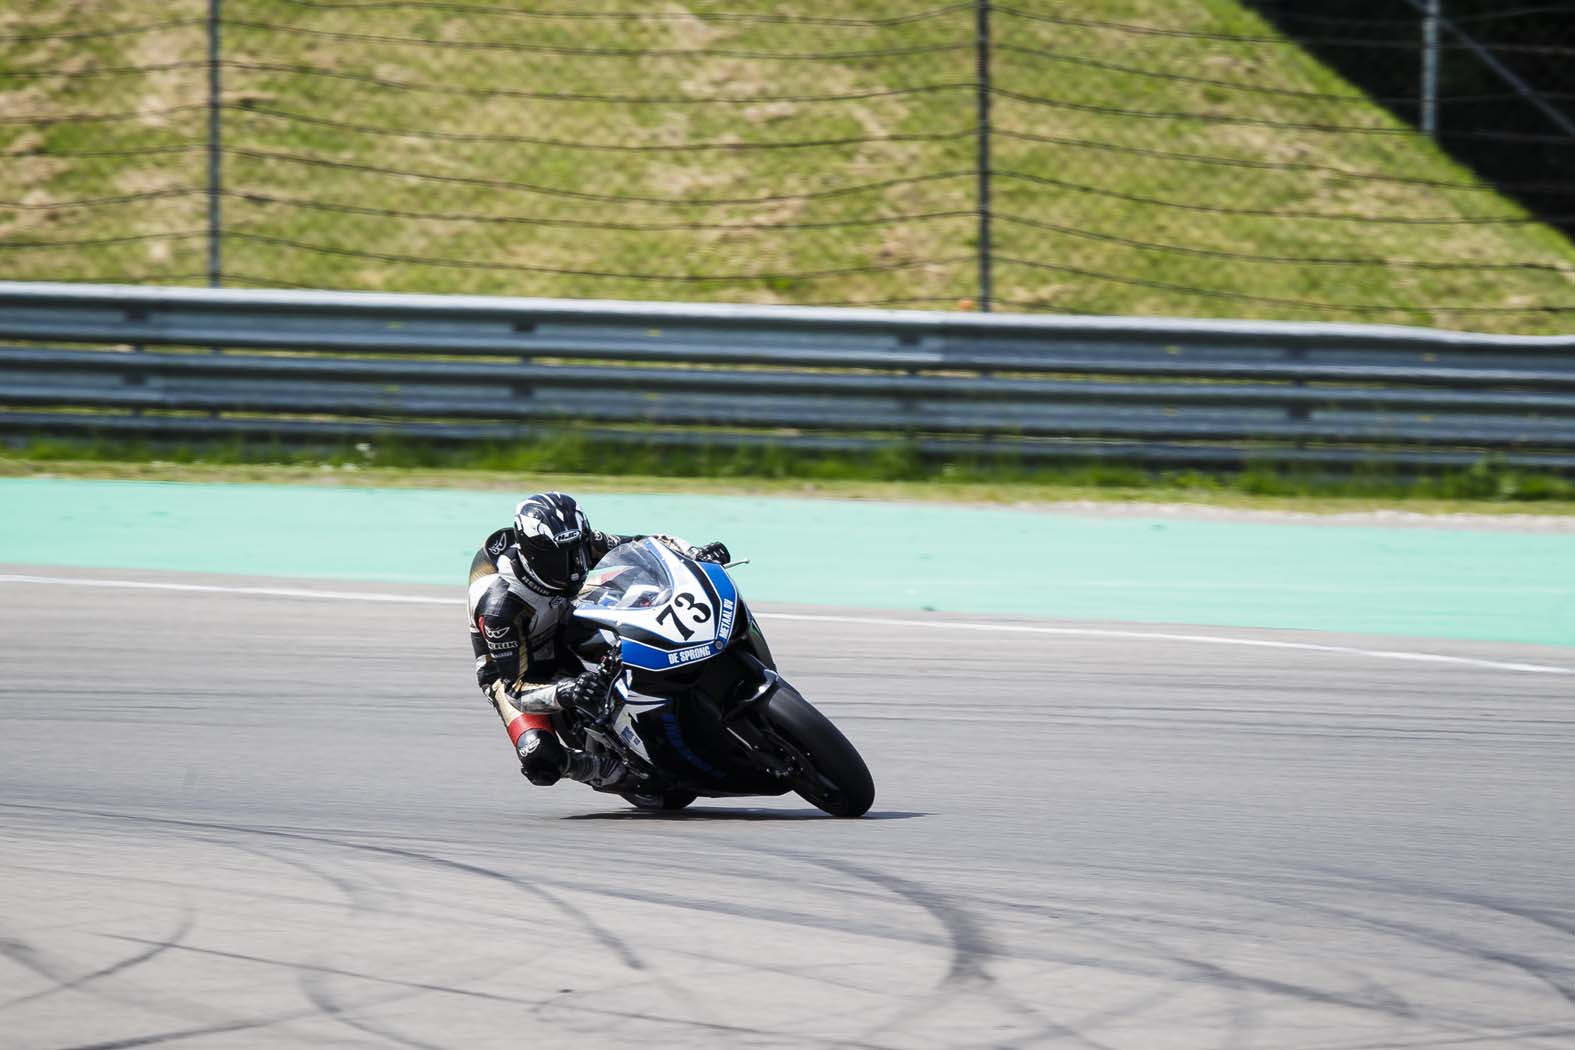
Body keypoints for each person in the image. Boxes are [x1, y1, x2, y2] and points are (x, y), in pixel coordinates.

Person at [467, 492, 730, 790]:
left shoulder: (574, 541)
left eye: (577, 550)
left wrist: (693, 553)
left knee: (640, 581)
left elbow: (648, 547)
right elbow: (516, 689)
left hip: (565, 609)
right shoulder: (501, 609)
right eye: (560, 559)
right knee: (539, 756)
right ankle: (610, 772)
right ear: (534, 556)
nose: (574, 565)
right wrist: (568, 691)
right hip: (517, 665)